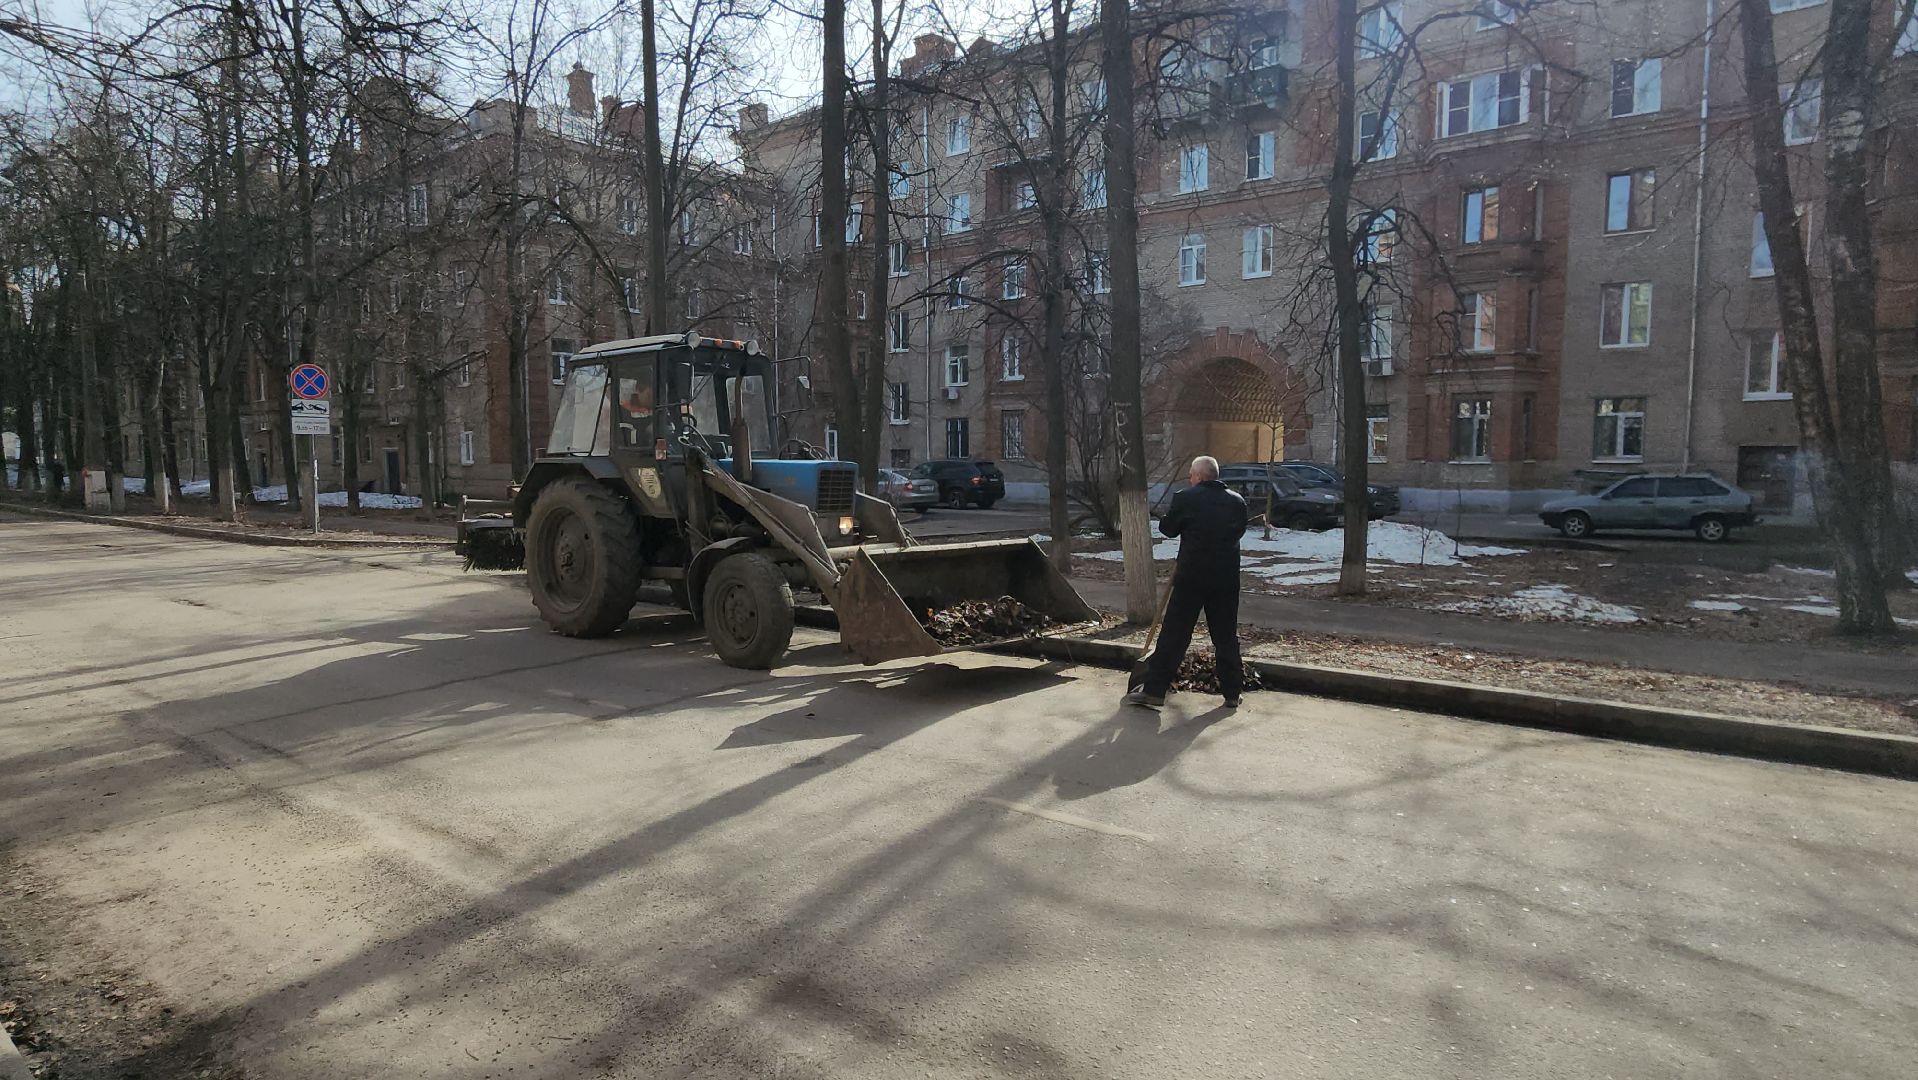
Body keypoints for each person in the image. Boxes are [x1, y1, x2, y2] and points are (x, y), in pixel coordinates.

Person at [1124, 455, 1249, 710]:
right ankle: (1232, 693)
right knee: (1225, 635)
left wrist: (1167, 518)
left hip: (1192, 577)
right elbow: (1238, 532)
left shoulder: (1186, 498)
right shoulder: (1237, 502)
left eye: (1192, 474)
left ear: (1200, 476)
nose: (1190, 478)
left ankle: (1154, 691)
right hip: (1225, 579)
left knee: (1175, 634)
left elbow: (1169, 529)